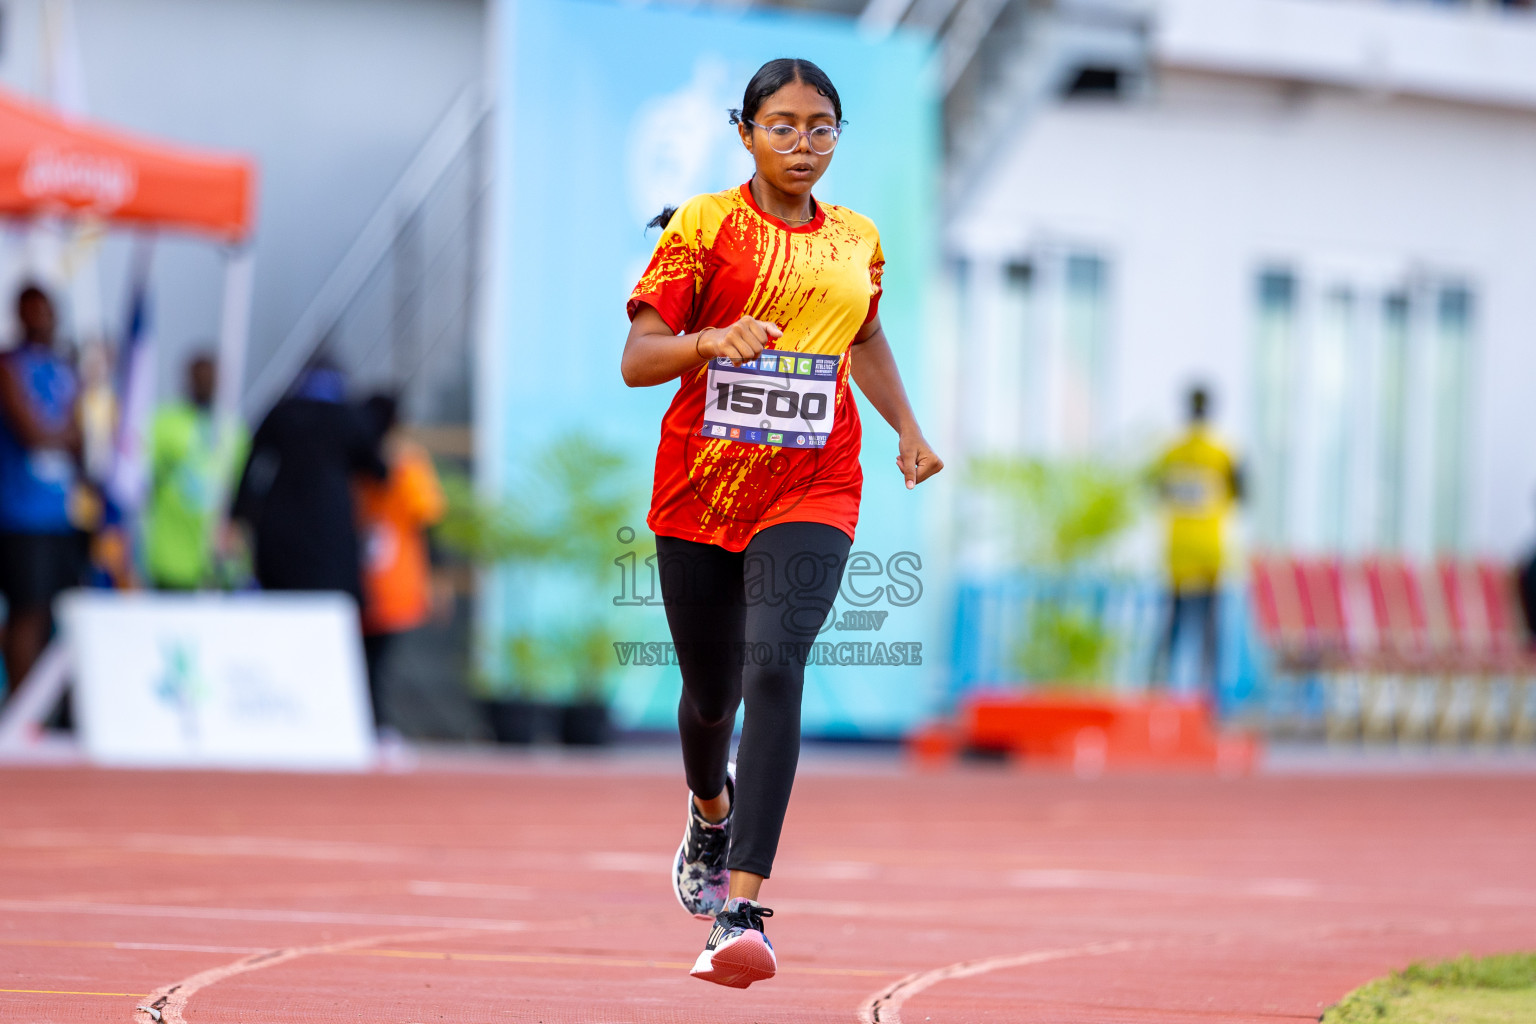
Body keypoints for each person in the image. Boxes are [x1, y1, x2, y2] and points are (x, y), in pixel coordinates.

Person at [621, 58, 942, 988]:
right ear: (746, 132)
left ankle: (741, 908)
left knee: (776, 664)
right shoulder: (706, 226)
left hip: (816, 486)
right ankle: (708, 809)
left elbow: (866, 335)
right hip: (701, 490)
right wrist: (707, 340)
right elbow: (639, 358)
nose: (803, 145)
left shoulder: (858, 238)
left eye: (822, 128)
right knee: (710, 699)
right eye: (784, 126)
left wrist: (908, 430)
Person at [230, 358, 384, 603]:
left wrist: (239, 514)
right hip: (330, 532)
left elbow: (252, 467)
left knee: (282, 610)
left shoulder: (282, 413)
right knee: (329, 610)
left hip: (280, 533)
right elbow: (379, 471)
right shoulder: (348, 418)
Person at [0, 285, 86, 692]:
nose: (41, 320)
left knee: (61, 614)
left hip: (62, 515)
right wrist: (62, 434)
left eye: (47, 311)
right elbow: (34, 434)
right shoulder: (8, 365)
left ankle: (47, 711)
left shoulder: (67, 367)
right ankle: (21, 717)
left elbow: (82, 439)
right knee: (27, 613)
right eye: (32, 312)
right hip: (19, 515)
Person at [354, 393, 446, 731]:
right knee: (378, 664)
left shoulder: (356, 463)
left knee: (366, 662)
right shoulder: (408, 464)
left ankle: (372, 724)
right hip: (395, 581)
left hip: (361, 578)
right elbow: (429, 523)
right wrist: (437, 580)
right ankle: (377, 726)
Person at [1149, 385, 1242, 702]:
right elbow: (1243, 494)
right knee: (1211, 631)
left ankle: (1158, 693)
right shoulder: (1223, 453)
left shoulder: (1171, 453)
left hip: (1177, 550)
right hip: (1210, 552)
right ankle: (1210, 700)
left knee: (1172, 627)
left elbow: (1157, 492)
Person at [144, 352, 249, 590]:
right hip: (172, 557)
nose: (205, 384)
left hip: (220, 559)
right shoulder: (163, 423)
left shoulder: (233, 429)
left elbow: (242, 490)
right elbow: (143, 481)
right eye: (199, 378)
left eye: (210, 378)